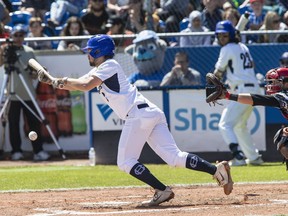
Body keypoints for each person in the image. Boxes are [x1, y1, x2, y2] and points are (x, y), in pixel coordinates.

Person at [40, 34, 233, 206]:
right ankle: (216, 170)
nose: (87, 55)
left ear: (99, 51)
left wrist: (61, 80)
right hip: (149, 112)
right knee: (174, 157)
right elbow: (79, 84)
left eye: (90, 52)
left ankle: (162, 189)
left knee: (125, 162)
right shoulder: (102, 68)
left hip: (138, 115)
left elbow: (84, 85)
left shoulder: (109, 65)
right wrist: (55, 81)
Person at [213, 20, 263, 166]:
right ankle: (253, 157)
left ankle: (238, 157)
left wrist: (212, 80)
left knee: (224, 124)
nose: (222, 38)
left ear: (231, 35)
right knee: (240, 125)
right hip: (254, 89)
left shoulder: (227, 48)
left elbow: (218, 72)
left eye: (225, 35)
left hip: (242, 89)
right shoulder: (243, 46)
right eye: (220, 36)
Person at [218, 67, 288, 170]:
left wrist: (228, 96)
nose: (272, 85)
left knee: (283, 137)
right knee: (283, 135)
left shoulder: (284, 96)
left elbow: (257, 100)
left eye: (276, 82)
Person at [0, 24, 50, 161]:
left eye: (21, 35)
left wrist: (39, 72)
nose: (19, 38)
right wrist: (3, 51)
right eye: (16, 35)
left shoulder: (29, 51)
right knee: (13, 124)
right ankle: (16, 151)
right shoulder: (5, 50)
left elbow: (34, 73)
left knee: (34, 122)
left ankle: (38, 150)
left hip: (28, 93)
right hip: (12, 93)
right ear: (11, 37)